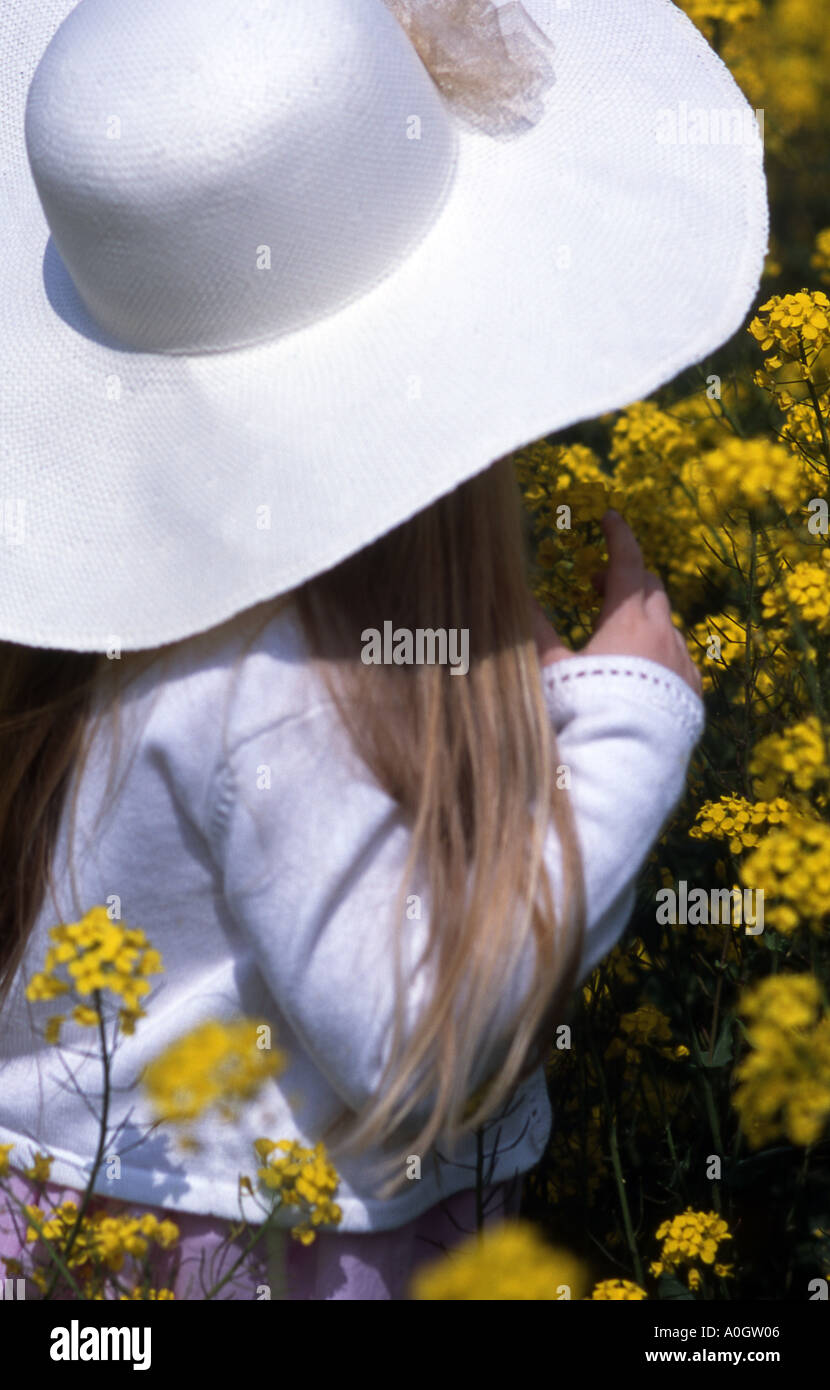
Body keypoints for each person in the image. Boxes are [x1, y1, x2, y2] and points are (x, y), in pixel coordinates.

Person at [0, 0, 767, 1299]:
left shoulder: (118, 642)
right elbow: (420, 1037)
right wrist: (636, 713)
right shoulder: (277, 686)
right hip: (258, 1249)